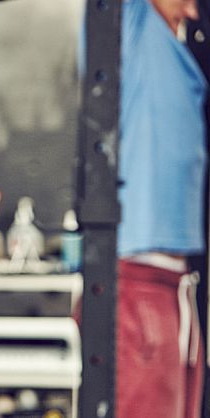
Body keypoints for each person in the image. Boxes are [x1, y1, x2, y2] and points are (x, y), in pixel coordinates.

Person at [88, 0, 207, 417]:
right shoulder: (132, 28)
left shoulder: (178, 51)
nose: (193, 12)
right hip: (137, 285)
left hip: (176, 288)